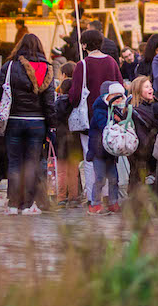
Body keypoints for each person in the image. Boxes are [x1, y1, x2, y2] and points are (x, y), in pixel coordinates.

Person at [0, 33, 56, 215]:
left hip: (14, 121)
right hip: (38, 124)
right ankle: (28, 205)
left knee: (14, 163)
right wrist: (52, 126)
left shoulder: (10, 66)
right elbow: (49, 102)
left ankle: (13, 204)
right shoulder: (47, 68)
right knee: (31, 164)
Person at [67, 29, 123, 206]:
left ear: (84, 45)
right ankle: (109, 196)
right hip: (111, 117)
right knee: (110, 156)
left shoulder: (82, 65)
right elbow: (120, 87)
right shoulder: (112, 62)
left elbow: (75, 95)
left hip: (89, 119)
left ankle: (94, 199)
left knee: (91, 158)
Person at [86, 81, 127, 214]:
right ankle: (95, 203)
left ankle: (113, 202)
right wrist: (115, 121)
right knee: (100, 179)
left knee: (114, 178)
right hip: (98, 150)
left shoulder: (116, 109)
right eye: (117, 97)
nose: (119, 100)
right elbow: (104, 125)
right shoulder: (99, 109)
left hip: (110, 152)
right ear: (109, 96)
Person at [52, 63, 83, 208]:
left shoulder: (57, 104)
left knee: (62, 171)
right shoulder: (76, 104)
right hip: (74, 139)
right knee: (73, 171)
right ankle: (74, 197)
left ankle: (61, 197)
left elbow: (55, 119)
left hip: (61, 139)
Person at [127, 76, 158, 193]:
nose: (151, 89)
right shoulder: (138, 109)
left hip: (143, 150)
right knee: (142, 177)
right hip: (144, 150)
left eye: (151, 86)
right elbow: (153, 125)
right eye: (147, 87)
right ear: (138, 90)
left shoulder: (149, 106)